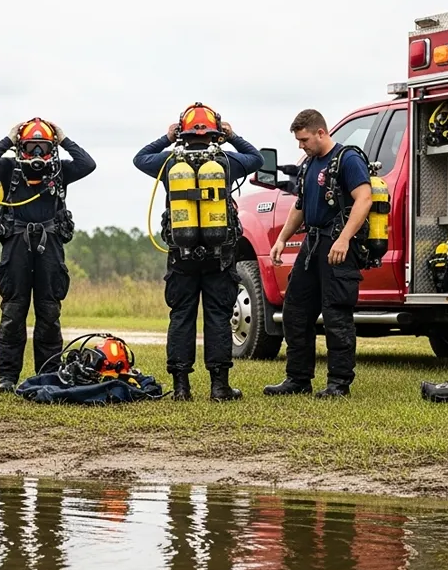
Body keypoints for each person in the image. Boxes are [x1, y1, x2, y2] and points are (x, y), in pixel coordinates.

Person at [133, 103, 263, 401]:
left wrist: (166, 138)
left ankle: (181, 388)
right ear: (215, 131)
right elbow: (256, 159)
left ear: (183, 132)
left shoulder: (168, 163)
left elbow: (139, 159)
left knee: (181, 317)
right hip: (221, 255)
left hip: (182, 254)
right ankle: (219, 388)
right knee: (218, 317)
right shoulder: (227, 162)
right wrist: (232, 136)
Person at [0, 118, 96, 392]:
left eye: (43, 147)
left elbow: (87, 164)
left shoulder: (61, 171)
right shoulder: (8, 168)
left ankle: (49, 373)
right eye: (32, 146)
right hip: (16, 244)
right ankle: (6, 377)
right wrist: (8, 139)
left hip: (50, 245)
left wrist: (64, 139)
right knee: (13, 312)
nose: (38, 154)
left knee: (49, 312)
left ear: (52, 149)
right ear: (22, 147)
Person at [264, 108, 372, 398]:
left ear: (321, 133)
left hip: (336, 243)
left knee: (336, 314)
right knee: (295, 311)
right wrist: (282, 239)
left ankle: (338, 383)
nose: (301, 145)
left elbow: (364, 198)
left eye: (304, 140)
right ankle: (298, 379)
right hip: (311, 245)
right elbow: (300, 205)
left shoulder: (347, 159)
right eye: (299, 141)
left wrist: (344, 239)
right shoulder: (311, 164)